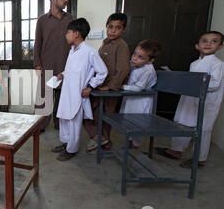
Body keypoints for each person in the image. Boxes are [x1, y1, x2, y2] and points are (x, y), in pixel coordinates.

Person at [160, 31, 223, 168]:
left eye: (214, 41)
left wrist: (192, 83)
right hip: (189, 100)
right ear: (197, 46)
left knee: (202, 129)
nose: (208, 44)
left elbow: (214, 84)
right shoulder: (194, 64)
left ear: (220, 46)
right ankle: (175, 150)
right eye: (204, 41)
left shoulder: (218, 64)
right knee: (183, 123)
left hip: (206, 102)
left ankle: (199, 159)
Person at [52, 18, 108, 161]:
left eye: (68, 32)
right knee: (64, 118)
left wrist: (90, 87)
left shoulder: (90, 52)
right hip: (67, 91)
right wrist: (62, 75)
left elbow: (102, 72)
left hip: (77, 93)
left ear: (76, 33)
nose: (66, 35)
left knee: (74, 121)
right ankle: (65, 143)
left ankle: (71, 150)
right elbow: (72, 70)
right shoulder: (72, 51)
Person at [83, 13, 131, 152]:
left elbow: (123, 69)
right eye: (110, 27)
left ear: (123, 30)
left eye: (117, 28)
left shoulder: (121, 45)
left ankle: (106, 143)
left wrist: (110, 86)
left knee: (107, 116)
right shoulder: (105, 44)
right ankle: (100, 139)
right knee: (95, 113)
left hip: (111, 89)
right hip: (101, 86)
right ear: (106, 27)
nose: (113, 31)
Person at [34, 0, 73, 132]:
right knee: (45, 98)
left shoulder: (69, 18)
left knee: (62, 97)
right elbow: (38, 42)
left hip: (65, 65)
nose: (65, 0)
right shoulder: (43, 20)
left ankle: (60, 124)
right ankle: (39, 126)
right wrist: (37, 64)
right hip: (47, 65)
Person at [120, 40, 162, 149]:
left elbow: (139, 88)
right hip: (131, 99)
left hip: (142, 101)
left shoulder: (148, 70)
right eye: (134, 54)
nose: (134, 58)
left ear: (150, 61)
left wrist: (123, 87)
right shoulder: (135, 65)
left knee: (138, 123)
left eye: (140, 57)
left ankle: (135, 146)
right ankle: (128, 143)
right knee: (128, 121)